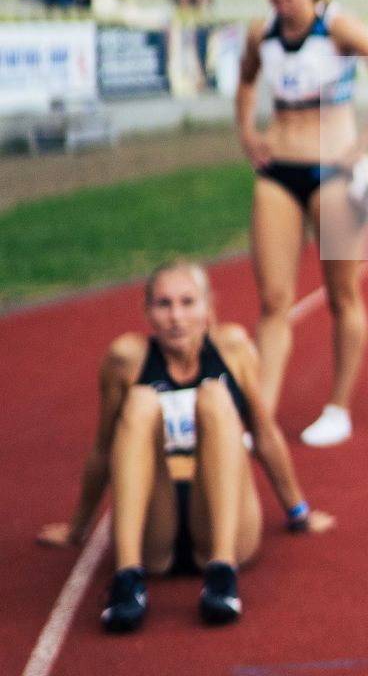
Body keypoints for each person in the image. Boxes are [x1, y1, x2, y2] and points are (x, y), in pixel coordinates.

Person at [36, 259, 332, 633]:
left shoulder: (233, 348)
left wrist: (298, 512)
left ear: (209, 308)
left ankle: (221, 575)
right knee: (142, 403)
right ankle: (128, 578)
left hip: (221, 521)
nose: (176, 316)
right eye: (164, 304)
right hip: (157, 528)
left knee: (215, 398)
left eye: (187, 303)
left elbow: (265, 433)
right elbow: (103, 447)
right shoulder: (126, 359)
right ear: (147, 311)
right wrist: (77, 528)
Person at [237, 0, 368, 446]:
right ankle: (263, 417)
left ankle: (338, 407)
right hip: (278, 174)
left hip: (333, 174)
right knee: (273, 300)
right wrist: (246, 132)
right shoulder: (261, 33)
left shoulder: (337, 28)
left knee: (342, 295)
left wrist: (361, 145)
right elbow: (246, 82)